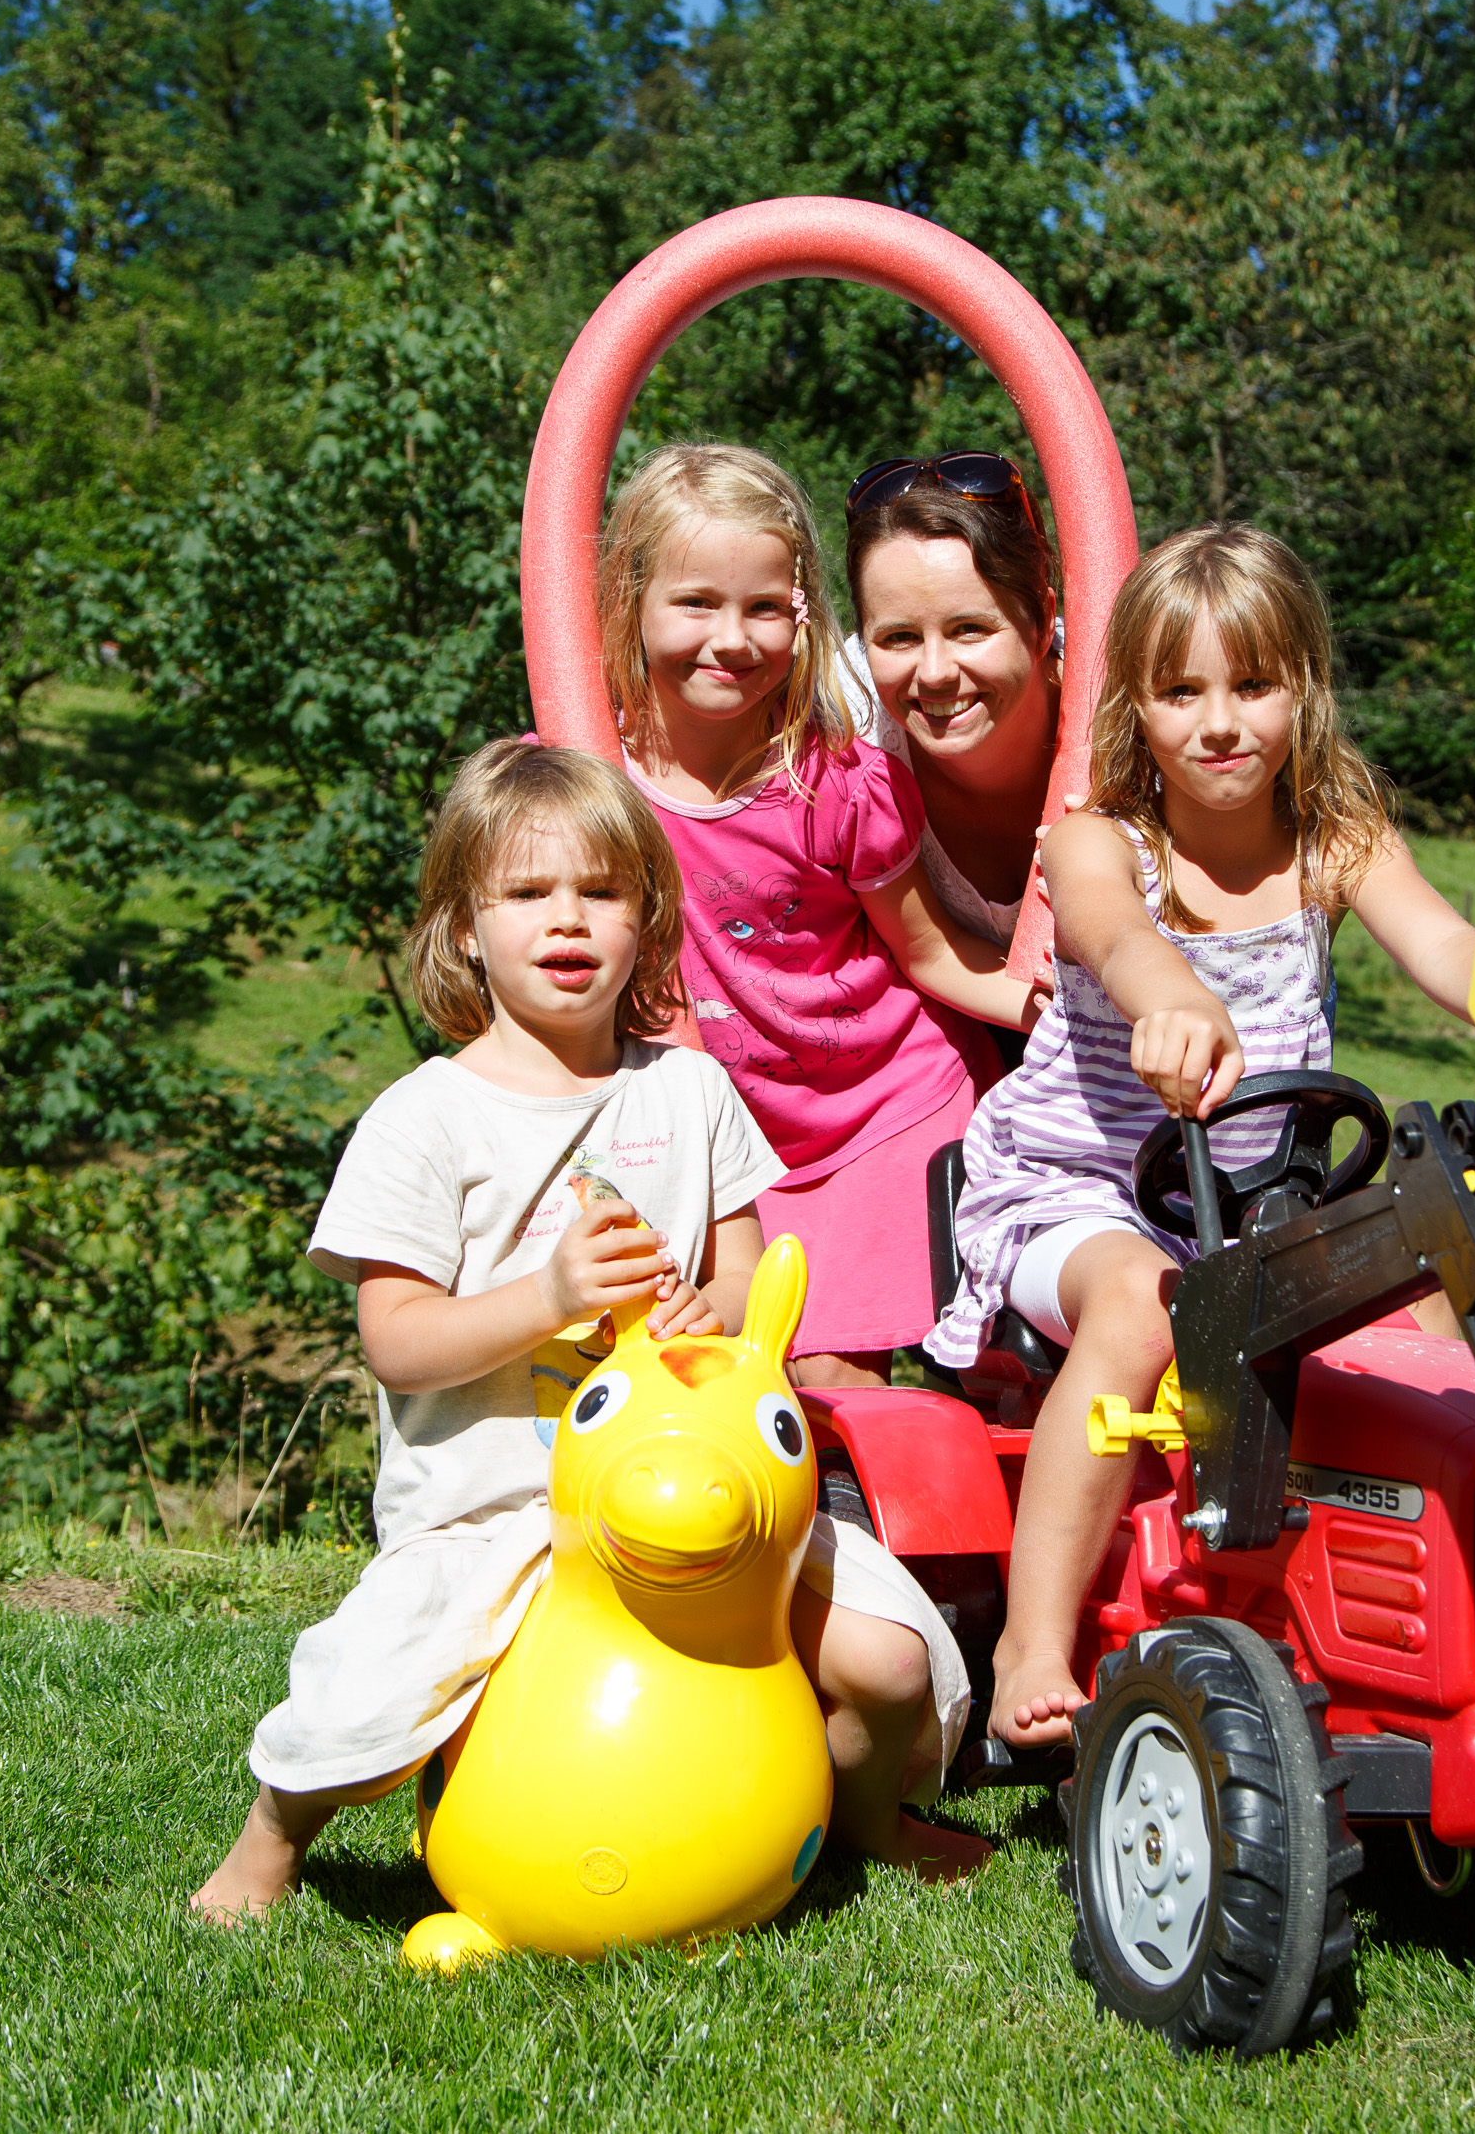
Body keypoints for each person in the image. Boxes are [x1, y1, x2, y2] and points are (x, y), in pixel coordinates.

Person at [193, 742, 983, 1921]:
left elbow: (744, 1273)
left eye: (601, 891)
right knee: (371, 1699)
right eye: (526, 891)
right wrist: (549, 1295)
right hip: (500, 1506)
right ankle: (269, 1840)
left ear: (648, 921)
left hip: (703, 1501)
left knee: (889, 1657)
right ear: (465, 928)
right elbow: (395, 1340)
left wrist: (708, 1315)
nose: (566, 919)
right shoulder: (426, 1119)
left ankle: (866, 1822)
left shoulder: (688, 1091)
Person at [925, 525, 1475, 1750]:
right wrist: (1168, 996)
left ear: (1303, 688)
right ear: (1136, 702)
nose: (1219, 723)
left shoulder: (1337, 840)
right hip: (1076, 1192)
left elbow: (1445, 946)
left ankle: (1449, 1589)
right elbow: (1113, 932)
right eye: (1181, 691)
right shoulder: (1100, 842)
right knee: (1143, 1304)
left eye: (1253, 685)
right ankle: (1031, 1637)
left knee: (1432, 1273)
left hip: (1261, 1207)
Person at [599, 443, 1037, 1386]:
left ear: (801, 615)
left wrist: (1055, 1011)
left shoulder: (832, 778)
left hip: (886, 1111)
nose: (731, 639)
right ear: (630, 602)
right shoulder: (589, 788)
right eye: (695, 603)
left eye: (764, 607)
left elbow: (928, 951)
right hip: (738, 1144)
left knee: (863, 1376)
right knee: (748, 1381)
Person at [840, 451, 1063, 954]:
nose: (935, 673)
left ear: (1043, 622)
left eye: (970, 629)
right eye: (898, 637)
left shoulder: (1138, 707)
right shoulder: (844, 713)